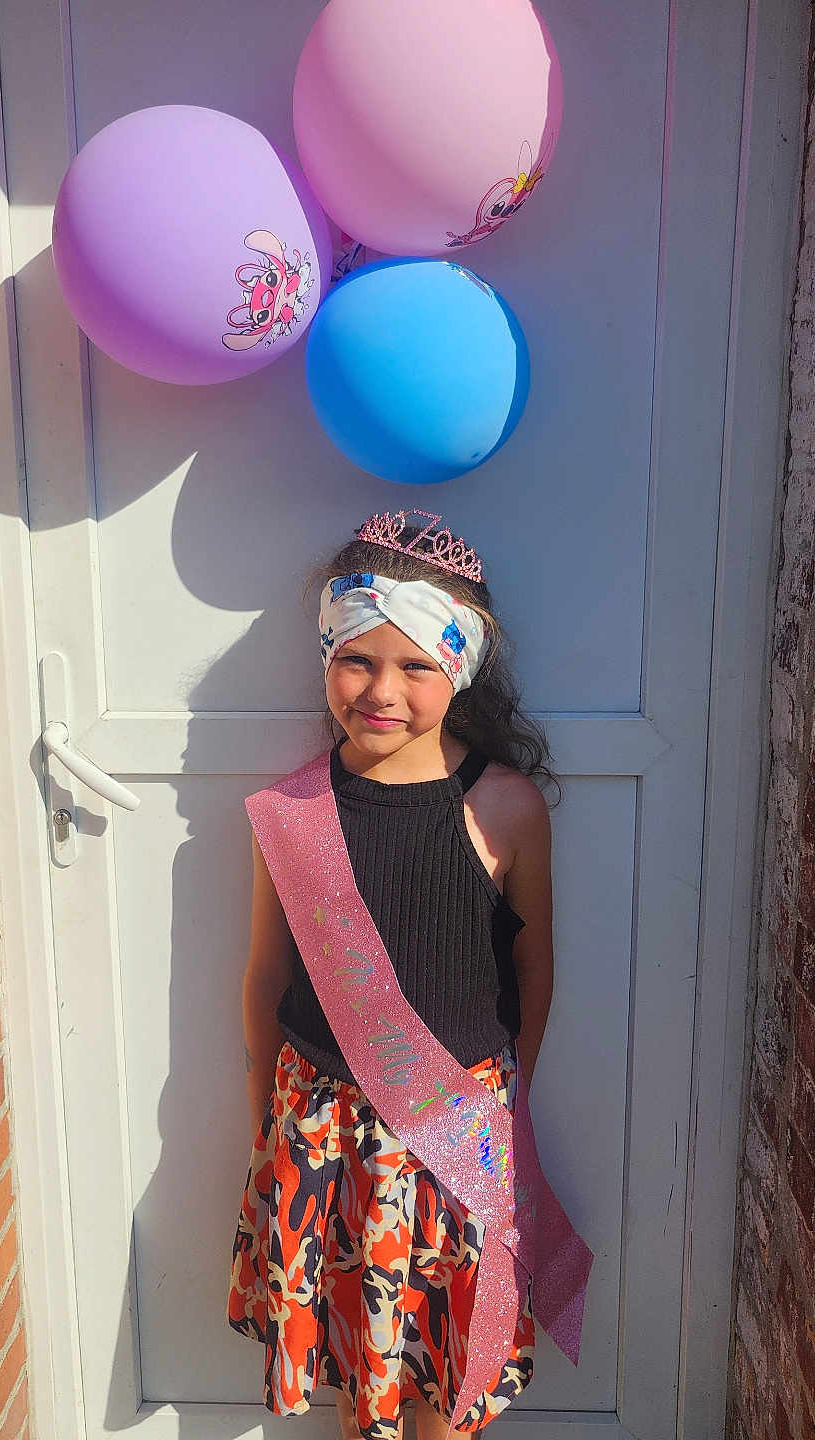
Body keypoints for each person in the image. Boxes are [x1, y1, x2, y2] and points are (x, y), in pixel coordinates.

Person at [227, 512, 563, 1440]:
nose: (382, 691)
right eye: (356, 660)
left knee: (455, 1377)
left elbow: (533, 973)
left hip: (456, 1131)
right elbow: (265, 977)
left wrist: (495, 1106)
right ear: (326, 657)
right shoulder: (290, 813)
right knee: (363, 1375)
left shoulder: (505, 808)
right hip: (324, 1134)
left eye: (415, 665)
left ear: (459, 668)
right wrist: (272, 1123)